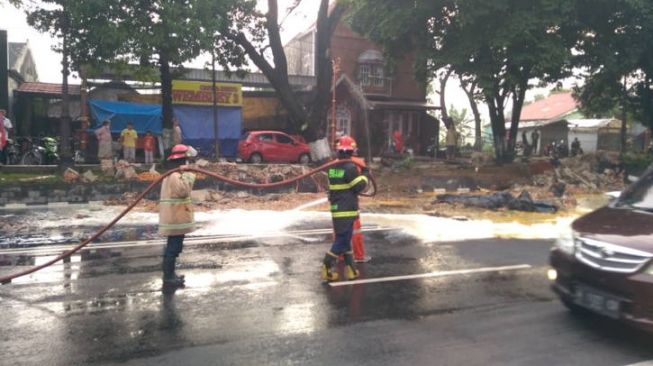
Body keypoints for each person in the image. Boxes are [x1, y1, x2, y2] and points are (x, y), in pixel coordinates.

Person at [321, 135, 369, 282]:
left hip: (337, 209)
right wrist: (365, 175)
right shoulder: (349, 168)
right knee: (342, 241)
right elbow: (358, 186)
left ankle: (351, 270)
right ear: (350, 151)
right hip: (347, 209)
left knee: (346, 241)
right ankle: (327, 266)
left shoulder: (332, 167)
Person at [159, 144, 197, 288]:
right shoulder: (174, 176)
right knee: (172, 248)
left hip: (175, 216)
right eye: (187, 160)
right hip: (174, 218)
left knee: (174, 248)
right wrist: (188, 174)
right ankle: (168, 277)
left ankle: (171, 274)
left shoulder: (173, 174)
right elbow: (183, 191)